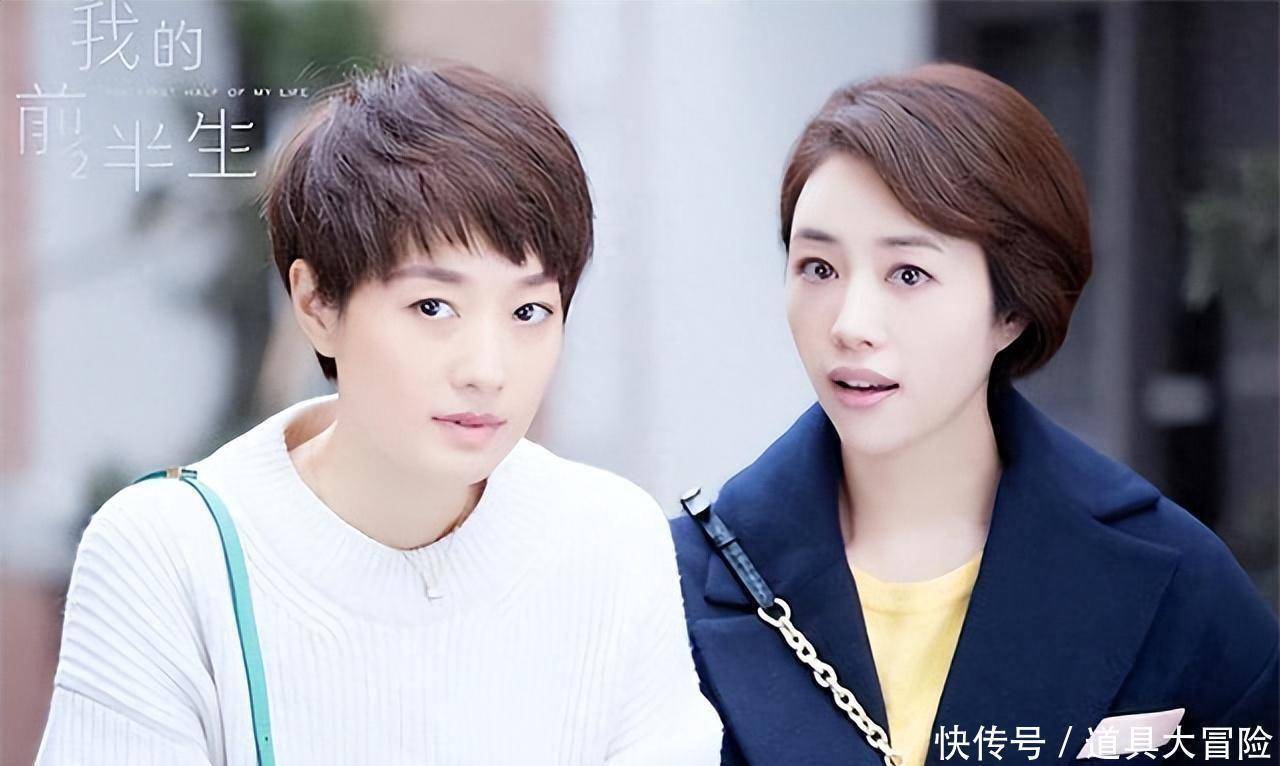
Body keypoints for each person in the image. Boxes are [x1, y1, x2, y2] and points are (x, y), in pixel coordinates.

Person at [38, 63, 721, 765]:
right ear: (317, 305)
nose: (487, 370)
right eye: (433, 307)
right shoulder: (170, 554)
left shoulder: (611, 539)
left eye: (529, 311)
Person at [670, 63, 1278, 766]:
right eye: (818, 268)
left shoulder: (1176, 580)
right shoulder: (669, 583)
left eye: (909, 274)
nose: (850, 325)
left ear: (1011, 310)